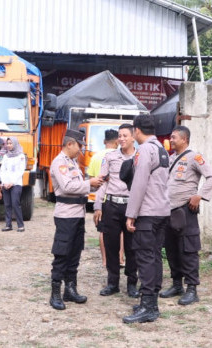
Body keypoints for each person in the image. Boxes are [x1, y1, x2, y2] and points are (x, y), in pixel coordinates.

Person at [159, 126, 212, 305]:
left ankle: (192, 288)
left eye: (174, 137)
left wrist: (199, 195)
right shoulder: (170, 159)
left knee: (188, 249)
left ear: (184, 139)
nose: (171, 139)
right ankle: (177, 285)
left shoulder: (194, 157)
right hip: (168, 211)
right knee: (171, 249)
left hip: (185, 210)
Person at [122, 115, 170, 324]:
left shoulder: (144, 150)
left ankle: (149, 306)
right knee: (155, 256)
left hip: (148, 212)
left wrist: (131, 213)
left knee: (145, 258)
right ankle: (150, 302)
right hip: (161, 211)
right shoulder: (161, 148)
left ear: (136, 130)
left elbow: (139, 183)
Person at [48, 129, 103, 310]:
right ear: (70, 144)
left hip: (77, 214)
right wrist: (90, 183)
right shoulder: (59, 162)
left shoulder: (72, 162)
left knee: (75, 253)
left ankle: (70, 289)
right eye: (79, 146)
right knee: (62, 253)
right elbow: (68, 186)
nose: (81, 150)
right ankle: (55, 292)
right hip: (66, 216)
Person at [93, 124, 139, 298]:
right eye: (119, 136)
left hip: (131, 206)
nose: (121, 139)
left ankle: (132, 283)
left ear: (133, 137)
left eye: (125, 135)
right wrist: (98, 206)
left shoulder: (140, 157)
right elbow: (102, 181)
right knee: (111, 245)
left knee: (132, 246)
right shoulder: (110, 157)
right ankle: (112, 282)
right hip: (111, 205)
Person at [87, 129, 119, 268]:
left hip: (101, 198)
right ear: (117, 141)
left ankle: (105, 260)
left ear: (104, 141)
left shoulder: (95, 157)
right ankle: (120, 259)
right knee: (121, 231)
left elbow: (92, 181)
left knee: (103, 231)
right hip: (117, 198)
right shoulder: (120, 155)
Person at [1, 137, 27, 232]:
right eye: (7, 143)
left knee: (15, 203)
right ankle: (8, 225)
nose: (9, 145)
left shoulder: (21, 156)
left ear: (15, 143)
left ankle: (20, 225)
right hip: (6, 183)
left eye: (11, 143)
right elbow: (2, 169)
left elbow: (21, 170)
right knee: (7, 204)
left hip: (16, 183)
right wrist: (4, 182)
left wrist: (12, 182)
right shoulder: (5, 156)